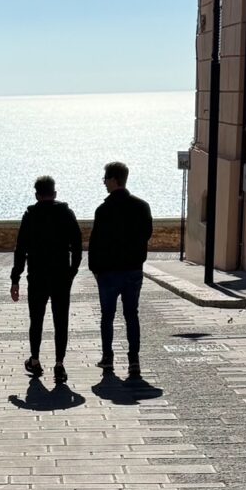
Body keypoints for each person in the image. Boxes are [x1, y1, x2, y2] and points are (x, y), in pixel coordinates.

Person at [10, 176, 82, 384]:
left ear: (36, 195)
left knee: (36, 320)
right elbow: (77, 245)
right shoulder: (66, 214)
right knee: (61, 321)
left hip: (37, 276)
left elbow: (20, 249)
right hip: (61, 276)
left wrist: (16, 278)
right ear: (55, 193)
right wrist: (72, 271)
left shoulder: (30, 216)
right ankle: (59, 365)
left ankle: (34, 360)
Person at [88, 161, 153, 376]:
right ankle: (134, 361)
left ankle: (108, 358)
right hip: (133, 270)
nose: (103, 182)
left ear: (114, 179)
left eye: (105, 178)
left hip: (108, 272)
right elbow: (147, 234)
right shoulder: (142, 207)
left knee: (107, 316)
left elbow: (95, 242)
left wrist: (95, 269)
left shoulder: (104, 210)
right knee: (131, 315)